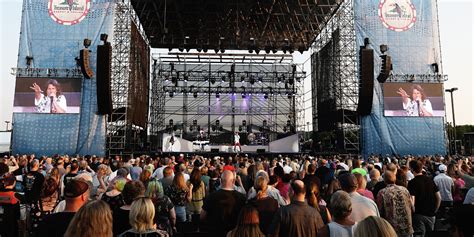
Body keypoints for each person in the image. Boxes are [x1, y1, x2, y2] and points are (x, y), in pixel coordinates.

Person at [201, 170, 247, 236]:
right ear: (233, 181)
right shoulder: (241, 198)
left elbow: (202, 216)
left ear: (221, 181)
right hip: (235, 233)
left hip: (216, 232)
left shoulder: (212, 196)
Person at [407, 160, 441, 237]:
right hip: (431, 214)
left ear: (412, 169)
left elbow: (412, 199)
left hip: (419, 214)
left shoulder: (412, 182)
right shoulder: (430, 180)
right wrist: (435, 209)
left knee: (420, 234)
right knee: (431, 234)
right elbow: (438, 197)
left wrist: (413, 211)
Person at [376, 171, 414, 237]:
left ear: (384, 180)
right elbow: (412, 207)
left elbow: (379, 212)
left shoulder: (382, 192)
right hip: (407, 228)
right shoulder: (404, 190)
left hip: (392, 229)